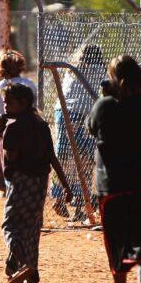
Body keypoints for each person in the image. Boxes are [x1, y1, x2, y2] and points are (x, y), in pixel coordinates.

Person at [86, 55, 141, 283]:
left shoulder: (105, 106)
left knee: (116, 241)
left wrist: (105, 97)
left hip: (113, 186)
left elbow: (91, 128)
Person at [0, 83, 72, 283]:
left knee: (10, 226)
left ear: (23, 103)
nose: (5, 106)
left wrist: (1, 132)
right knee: (31, 229)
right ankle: (32, 277)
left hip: (21, 181)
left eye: (9, 102)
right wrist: (65, 185)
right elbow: (51, 157)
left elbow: (11, 157)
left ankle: (19, 258)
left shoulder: (14, 126)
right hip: (40, 183)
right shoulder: (41, 124)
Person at [51, 44, 106, 221]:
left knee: (65, 158)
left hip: (63, 112)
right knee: (86, 160)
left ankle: (59, 196)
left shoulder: (72, 69)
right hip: (83, 113)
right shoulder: (98, 69)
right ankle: (81, 204)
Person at [0, 49, 37, 123]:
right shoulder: (29, 83)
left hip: (4, 129)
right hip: (27, 126)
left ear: (0, 67)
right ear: (20, 65)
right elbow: (36, 107)